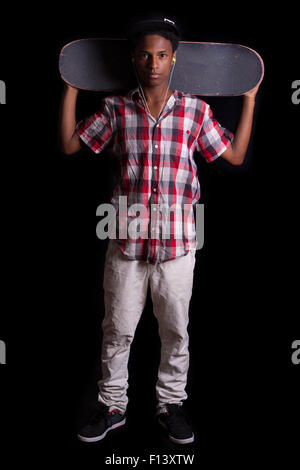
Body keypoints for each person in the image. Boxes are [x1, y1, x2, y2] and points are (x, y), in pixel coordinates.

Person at [59, 16, 260, 444]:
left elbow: (236, 156)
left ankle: (171, 404)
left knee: (175, 331)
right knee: (117, 329)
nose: (154, 63)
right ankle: (112, 406)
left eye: (162, 55)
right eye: (146, 54)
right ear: (134, 58)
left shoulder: (194, 110)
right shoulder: (116, 109)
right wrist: (72, 87)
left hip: (179, 242)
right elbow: (70, 144)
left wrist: (250, 101)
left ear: (174, 59)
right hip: (126, 240)